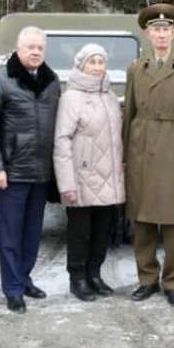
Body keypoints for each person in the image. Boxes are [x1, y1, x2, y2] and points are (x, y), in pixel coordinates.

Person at [123, 3, 174, 307]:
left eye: (166, 29)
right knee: (142, 219)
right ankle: (147, 279)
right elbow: (129, 113)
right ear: (147, 34)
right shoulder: (136, 68)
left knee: (173, 221)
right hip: (140, 148)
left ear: (173, 33)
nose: (161, 34)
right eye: (156, 29)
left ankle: (173, 281)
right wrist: (124, 155)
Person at [0, 26, 61, 314]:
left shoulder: (51, 81)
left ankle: (24, 279)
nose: (35, 52)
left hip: (41, 170)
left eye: (40, 48)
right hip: (11, 171)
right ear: (18, 48)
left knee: (32, 232)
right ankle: (12, 289)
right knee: (10, 234)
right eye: (30, 47)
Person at [53, 44, 126, 301]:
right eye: (92, 62)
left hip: (109, 177)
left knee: (102, 231)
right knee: (80, 232)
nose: (97, 67)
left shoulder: (110, 97)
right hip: (82, 175)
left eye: (101, 62)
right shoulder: (70, 98)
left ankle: (94, 274)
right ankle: (78, 278)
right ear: (81, 66)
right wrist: (67, 184)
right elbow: (62, 141)